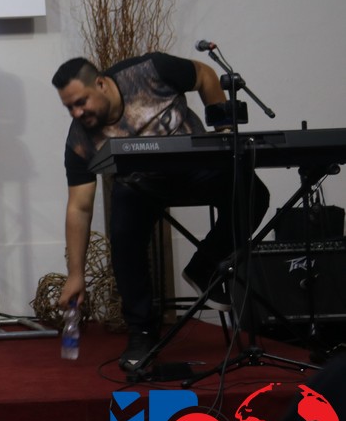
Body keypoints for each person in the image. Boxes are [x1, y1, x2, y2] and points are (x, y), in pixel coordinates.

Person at [52, 53, 270, 371]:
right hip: (144, 186)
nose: (77, 112)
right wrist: (75, 275)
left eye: (81, 102)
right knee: (123, 234)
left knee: (253, 193)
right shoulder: (80, 139)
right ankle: (141, 332)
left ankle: (205, 266)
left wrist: (223, 128)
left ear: (100, 84)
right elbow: (80, 206)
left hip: (197, 169)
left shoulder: (150, 71)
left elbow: (205, 75)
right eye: (69, 107)